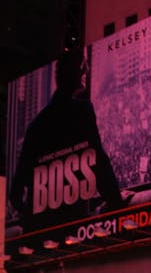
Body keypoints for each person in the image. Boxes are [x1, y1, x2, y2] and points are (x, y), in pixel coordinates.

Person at [8, 46, 129, 234]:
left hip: (37, 234)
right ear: (76, 74)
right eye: (83, 67)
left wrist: (34, 217)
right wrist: (116, 202)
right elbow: (98, 161)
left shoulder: (36, 126)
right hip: (71, 230)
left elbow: (15, 194)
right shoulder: (81, 111)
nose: (86, 72)